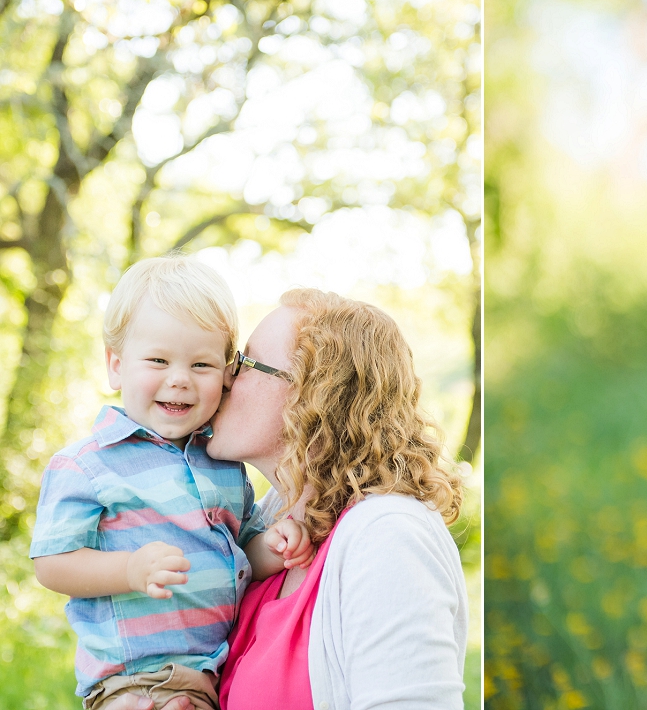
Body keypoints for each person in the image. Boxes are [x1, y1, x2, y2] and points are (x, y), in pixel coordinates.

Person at [28, 258, 307, 710]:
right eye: (158, 360)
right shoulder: (87, 465)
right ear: (116, 366)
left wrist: (274, 544)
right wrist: (128, 571)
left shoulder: (224, 464)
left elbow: (239, 558)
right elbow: (52, 564)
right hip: (134, 682)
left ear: (227, 374)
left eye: (201, 364)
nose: (179, 378)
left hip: (216, 674)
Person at [204, 289, 468, 709]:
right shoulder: (268, 523)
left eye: (244, 363)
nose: (221, 378)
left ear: (313, 393)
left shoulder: (388, 537)